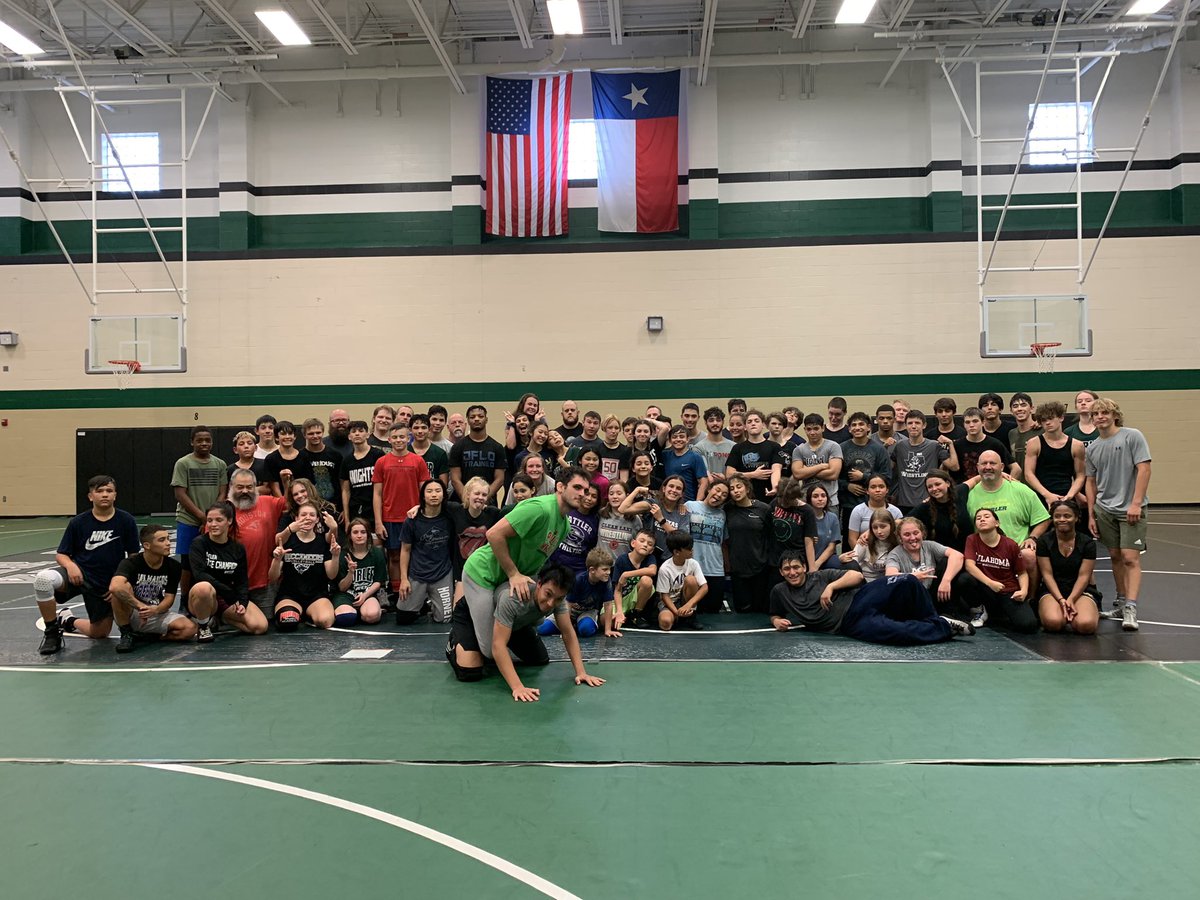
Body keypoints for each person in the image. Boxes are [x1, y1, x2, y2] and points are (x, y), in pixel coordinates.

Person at [448, 466, 593, 679]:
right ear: (560, 487)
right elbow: (494, 533)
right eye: (577, 487)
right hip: (483, 575)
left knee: (536, 618)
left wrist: (581, 672)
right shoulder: (539, 508)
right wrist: (514, 574)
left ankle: (505, 626)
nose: (582, 494)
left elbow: (537, 560)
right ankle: (459, 631)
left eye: (586, 490)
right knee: (489, 651)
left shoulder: (564, 526)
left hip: (508, 578)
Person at [35, 474, 140, 654]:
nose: (105, 495)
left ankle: (67, 620)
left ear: (115, 495)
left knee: (100, 633)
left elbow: (133, 556)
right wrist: (70, 566)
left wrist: (120, 582)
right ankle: (52, 633)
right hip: (78, 575)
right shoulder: (78, 522)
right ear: (91, 496)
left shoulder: (126, 520)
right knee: (43, 580)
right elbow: (61, 554)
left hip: (106, 582)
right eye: (100, 491)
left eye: (109, 491)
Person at [770, 554, 973, 644]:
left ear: (804, 567)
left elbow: (857, 576)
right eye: (787, 569)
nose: (792, 572)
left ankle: (933, 619)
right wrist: (777, 621)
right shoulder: (779, 591)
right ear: (781, 572)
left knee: (907, 580)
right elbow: (775, 613)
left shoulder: (820, 576)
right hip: (849, 624)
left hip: (862, 598)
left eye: (796, 567)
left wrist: (831, 587)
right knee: (899, 633)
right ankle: (943, 626)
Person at [1085, 397, 1152, 631]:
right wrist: (1092, 514)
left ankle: (1132, 607)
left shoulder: (1132, 436)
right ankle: (1122, 602)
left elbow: (1144, 468)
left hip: (1130, 510)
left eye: (1104, 412)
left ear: (1115, 415)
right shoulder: (1092, 448)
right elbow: (1090, 482)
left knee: (1130, 558)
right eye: (1096, 414)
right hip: (1105, 510)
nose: (1100, 417)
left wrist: (1135, 503)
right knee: (1114, 556)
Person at [967, 451, 1050, 597]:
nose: (988, 467)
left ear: (1002, 467)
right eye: (984, 464)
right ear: (977, 467)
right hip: (984, 555)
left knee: (1028, 555)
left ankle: (1030, 598)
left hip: (1016, 551)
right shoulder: (968, 494)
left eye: (992, 463)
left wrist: (1032, 538)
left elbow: (1044, 518)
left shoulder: (1020, 490)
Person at [187, 501, 269, 640]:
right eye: (210, 520)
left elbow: (242, 580)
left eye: (219, 520)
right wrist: (230, 595)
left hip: (225, 599)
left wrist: (242, 601)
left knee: (260, 626)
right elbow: (200, 575)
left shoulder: (237, 548)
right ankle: (203, 626)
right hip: (204, 597)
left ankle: (221, 619)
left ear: (229, 521)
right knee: (204, 588)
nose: (213, 524)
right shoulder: (199, 543)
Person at [108, 524, 194, 653]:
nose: (168, 543)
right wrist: (141, 607)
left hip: (156, 611)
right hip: (132, 611)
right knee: (120, 590)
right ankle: (126, 633)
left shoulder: (174, 566)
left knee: (190, 629)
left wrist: (155, 609)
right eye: (162, 540)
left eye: (168, 539)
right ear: (147, 545)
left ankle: (152, 637)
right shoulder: (131, 563)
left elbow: (169, 598)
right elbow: (114, 586)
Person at [373, 422, 432, 601]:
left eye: (402, 437)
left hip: (414, 518)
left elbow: (425, 491)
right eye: (395, 437)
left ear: (409, 438)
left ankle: (417, 593)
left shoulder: (418, 461)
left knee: (415, 556)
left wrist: (424, 514)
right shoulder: (382, 462)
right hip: (390, 518)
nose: (399, 440)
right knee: (394, 556)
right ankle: (397, 592)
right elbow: (377, 494)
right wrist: (378, 521)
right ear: (389, 439)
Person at [269, 500, 341, 631]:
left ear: (317, 520)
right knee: (288, 622)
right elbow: (272, 578)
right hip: (290, 595)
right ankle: (298, 613)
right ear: (296, 518)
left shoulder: (323, 542)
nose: (308, 518)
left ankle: (308, 613)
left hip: (316, 595)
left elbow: (331, 575)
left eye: (312, 515)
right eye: (303, 515)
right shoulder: (287, 540)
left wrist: (335, 556)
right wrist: (277, 560)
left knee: (325, 621)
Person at [962, 508, 1036, 633]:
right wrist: (990, 582)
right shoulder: (972, 539)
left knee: (1028, 625)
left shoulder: (1010, 544)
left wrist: (1023, 591)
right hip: (985, 588)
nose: (982, 519)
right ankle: (980, 610)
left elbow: (1022, 572)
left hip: (1006, 589)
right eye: (978, 518)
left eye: (986, 516)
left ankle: (1000, 613)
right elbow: (969, 566)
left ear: (997, 523)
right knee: (964, 579)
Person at [228, 469, 289, 617]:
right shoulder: (223, 510)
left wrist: (286, 484)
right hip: (232, 584)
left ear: (256, 487)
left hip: (264, 582)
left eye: (249, 487)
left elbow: (289, 503)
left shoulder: (268, 502)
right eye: (240, 487)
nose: (245, 491)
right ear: (231, 486)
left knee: (265, 622)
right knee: (236, 622)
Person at [884, 517, 970, 619]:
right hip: (913, 598)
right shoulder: (895, 554)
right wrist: (913, 577)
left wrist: (946, 581)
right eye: (907, 535)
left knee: (947, 563)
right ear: (900, 538)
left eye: (916, 533)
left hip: (934, 593)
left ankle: (947, 615)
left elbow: (958, 556)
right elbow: (889, 575)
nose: (912, 538)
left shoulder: (929, 546)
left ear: (922, 533)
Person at [1037, 500, 1101, 635]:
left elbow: (1084, 576)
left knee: (1085, 625)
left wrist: (1071, 599)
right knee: (1053, 623)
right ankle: (1059, 611)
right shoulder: (1044, 541)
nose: (1062, 519)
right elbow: (1046, 574)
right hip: (1053, 590)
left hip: (1080, 590)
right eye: (1057, 516)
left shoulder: (1087, 543)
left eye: (1067, 516)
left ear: (1076, 518)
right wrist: (1061, 599)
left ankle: (1083, 610)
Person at [398, 480, 456, 625]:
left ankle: (432, 602)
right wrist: (404, 579)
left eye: (438, 491)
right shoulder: (412, 520)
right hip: (418, 573)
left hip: (442, 573)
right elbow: (405, 550)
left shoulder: (451, 517)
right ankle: (422, 603)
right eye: (429, 491)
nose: (434, 495)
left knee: (445, 619)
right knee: (404, 619)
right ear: (423, 496)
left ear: (444, 495)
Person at [171, 425, 228, 559]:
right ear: (192, 442)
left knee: (212, 559)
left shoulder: (220, 464)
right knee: (187, 562)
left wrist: (211, 519)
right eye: (200, 440)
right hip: (188, 520)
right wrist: (203, 517)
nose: (204, 443)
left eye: (207, 440)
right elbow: (180, 494)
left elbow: (222, 493)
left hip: (213, 522)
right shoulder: (183, 463)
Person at [446, 476, 503, 602]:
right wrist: (417, 508)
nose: (480, 497)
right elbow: (434, 505)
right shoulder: (456, 510)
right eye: (476, 493)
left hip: (483, 572)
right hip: (462, 572)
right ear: (467, 494)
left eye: (484, 494)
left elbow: (512, 512)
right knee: (458, 612)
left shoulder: (492, 513)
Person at [538, 548, 614, 638]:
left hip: (587, 611)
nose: (608, 572)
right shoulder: (579, 580)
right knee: (542, 629)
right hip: (571, 611)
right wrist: (565, 630)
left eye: (609, 569)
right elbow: (568, 605)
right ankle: (572, 626)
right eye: (605, 569)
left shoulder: (606, 581)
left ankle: (578, 625)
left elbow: (608, 604)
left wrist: (608, 630)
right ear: (592, 570)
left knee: (586, 630)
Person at [725, 474, 773, 613]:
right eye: (732, 488)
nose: (736, 491)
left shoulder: (763, 509)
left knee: (759, 610)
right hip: (738, 568)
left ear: (747, 488)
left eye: (739, 487)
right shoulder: (727, 509)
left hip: (760, 567)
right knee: (743, 611)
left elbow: (771, 536)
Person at [1023, 401, 1086, 508]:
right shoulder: (1033, 443)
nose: (1047, 423)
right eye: (1043, 420)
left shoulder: (1077, 445)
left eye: (1051, 418)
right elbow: (1029, 474)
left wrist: (1069, 496)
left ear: (1061, 418)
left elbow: (1080, 475)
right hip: (1041, 497)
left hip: (1067, 496)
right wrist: (1047, 495)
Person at [891, 410, 954, 513]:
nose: (913, 426)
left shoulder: (934, 446)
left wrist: (950, 444)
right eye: (910, 423)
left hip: (928, 502)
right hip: (904, 503)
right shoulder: (899, 446)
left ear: (924, 425)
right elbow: (888, 468)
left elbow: (954, 466)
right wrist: (884, 447)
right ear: (906, 426)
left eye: (917, 423)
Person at [838, 412, 892, 523]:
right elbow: (834, 477)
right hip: (848, 504)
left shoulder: (879, 449)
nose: (857, 428)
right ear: (849, 429)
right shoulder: (841, 448)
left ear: (868, 427)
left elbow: (886, 477)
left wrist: (863, 477)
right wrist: (847, 486)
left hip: (873, 504)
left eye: (861, 424)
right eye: (854, 425)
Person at [331, 518, 385, 627]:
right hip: (346, 595)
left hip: (367, 594)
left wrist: (365, 595)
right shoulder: (343, 555)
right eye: (355, 532)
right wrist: (350, 572)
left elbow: (378, 581)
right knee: (345, 619)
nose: (359, 535)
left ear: (368, 534)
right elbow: (342, 588)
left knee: (372, 616)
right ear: (350, 536)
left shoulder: (377, 553)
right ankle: (353, 612)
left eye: (363, 532)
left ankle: (364, 611)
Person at [449, 405, 507, 505]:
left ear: (486, 419)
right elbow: (455, 479)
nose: (476, 419)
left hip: (488, 504)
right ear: (468, 420)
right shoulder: (457, 447)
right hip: (463, 504)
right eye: (472, 417)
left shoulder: (497, 447)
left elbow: (499, 479)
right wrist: (468, 500)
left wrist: (483, 498)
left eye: (480, 416)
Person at [685, 481, 728, 613]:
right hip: (692, 568)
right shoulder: (690, 506)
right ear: (709, 489)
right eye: (717, 490)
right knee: (693, 610)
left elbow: (723, 542)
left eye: (724, 494)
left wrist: (727, 566)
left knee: (713, 610)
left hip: (715, 569)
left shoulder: (723, 515)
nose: (719, 495)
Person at [653, 531, 709, 631]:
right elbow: (664, 596)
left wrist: (689, 605)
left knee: (691, 580)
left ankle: (691, 616)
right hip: (670, 603)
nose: (691, 550)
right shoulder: (665, 568)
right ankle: (679, 617)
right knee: (665, 623)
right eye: (688, 548)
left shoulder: (693, 563)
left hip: (686, 602)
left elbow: (704, 587)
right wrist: (676, 612)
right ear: (676, 552)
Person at [339, 420, 385, 535]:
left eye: (361, 431)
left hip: (375, 509)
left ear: (368, 434)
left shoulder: (378, 455)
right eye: (353, 432)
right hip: (356, 509)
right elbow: (345, 490)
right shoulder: (347, 461)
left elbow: (385, 485)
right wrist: (347, 519)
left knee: (377, 543)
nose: (357, 434)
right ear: (349, 436)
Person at [791, 413, 844, 513]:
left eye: (816, 428)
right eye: (809, 429)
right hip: (806, 501)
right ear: (805, 429)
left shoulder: (833, 446)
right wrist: (822, 466)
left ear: (823, 428)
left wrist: (806, 470)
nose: (812, 432)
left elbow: (833, 474)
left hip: (830, 501)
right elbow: (797, 474)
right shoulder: (799, 450)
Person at [608, 529, 658, 632]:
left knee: (647, 580)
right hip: (620, 598)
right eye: (642, 541)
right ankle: (623, 615)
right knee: (608, 622)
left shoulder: (650, 558)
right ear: (633, 543)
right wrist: (619, 611)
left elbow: (652, 571)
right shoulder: (622, 560)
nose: (645, 545)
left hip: (635, 598)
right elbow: (617, 591)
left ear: (651, 550)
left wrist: (626, 574)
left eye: (649, 544)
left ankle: (636, 615)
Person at [726, 410, 782, 501]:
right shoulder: (738, 448)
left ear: (763, 425)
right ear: (745, 427)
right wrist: (753, 474)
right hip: (745, 498)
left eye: (756, 421)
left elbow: (776, 469)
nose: (753, 424)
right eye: (749, 421)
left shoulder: (774, 446)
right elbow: (729, 474)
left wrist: (775, 487)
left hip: (768, 495)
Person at [548, 482, 601, 575]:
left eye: (594, 496)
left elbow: (591, 547)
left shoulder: (596, 521)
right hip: (553, 563)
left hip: (577, 570)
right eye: (587, 494)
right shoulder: (566, 509)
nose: (589, 498)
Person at [912, 469, 971, 552]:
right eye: (930, 487)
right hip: (941, 557)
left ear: (948, 483)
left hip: (968, 553)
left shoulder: (960, 491)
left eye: (937, 484)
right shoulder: (924, 507)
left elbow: (976, 479)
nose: (934, 489)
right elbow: (901, 521)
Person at [952, 406, 1015, 482]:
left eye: (975, 421)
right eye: (967, 422)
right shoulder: (957, 445)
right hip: (966, 490)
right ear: (964, 424)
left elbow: (1016, 468)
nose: (971, 425)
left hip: (990, 489)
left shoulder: (995, 444)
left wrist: (1008, 486)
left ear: (983, 422)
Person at [840, 508, 899, 582]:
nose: (879, 531)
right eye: (875, 527)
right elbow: (853, 561)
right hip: (865, 580)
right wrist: (843, 559)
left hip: (886, 581)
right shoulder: (864, 541)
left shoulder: (898, 542)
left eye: (883, 526)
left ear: (891, 525)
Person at [846, 474, 901, 546]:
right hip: (864, 553)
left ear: (887, 490)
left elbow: (900, 537)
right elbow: (852, 539)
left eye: (881, 487)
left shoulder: (895, 511)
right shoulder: (858, 510)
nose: (877, 490)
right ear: (867, 491)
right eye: (873, 487)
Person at [263, 421, 314, 498]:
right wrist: (284, 505)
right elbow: (274, 488)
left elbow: (309, 483)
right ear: (277, 437)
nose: (287, 437)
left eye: (290, 433)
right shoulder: (271, 459)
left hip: (303, 499)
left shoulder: (304, 456)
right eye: (283, 434)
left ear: (295, 437)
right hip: (281, 502)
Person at [661, 424, 709, 502]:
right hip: (669, 501)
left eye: (682, 436)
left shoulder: (695, 457)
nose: (678, 439)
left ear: (688, 439)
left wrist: (697, 504)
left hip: (688, 502)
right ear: (669, 440)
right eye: (674, 437)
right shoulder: (665, 455)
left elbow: (704, 482)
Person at [597, 482, 642, 562]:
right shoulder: (601, 514)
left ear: (627, 496)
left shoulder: (635, 518)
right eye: (611, 494)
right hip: (601, 564)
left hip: (623, 565)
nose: (615, 497)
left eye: (619, 493)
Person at [410, 413, 450, 488]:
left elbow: (443, 485)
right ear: (410, 430)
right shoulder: (405, 452)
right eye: (416, 428)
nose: (420, 431)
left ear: (429, 429)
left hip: (432, 497)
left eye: (423, 427)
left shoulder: (440, 453)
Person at [807, 485, 842, 570]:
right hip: (807, 558)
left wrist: (817, 564)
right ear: (809, 499)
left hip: (826, 558)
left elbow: (831, 546)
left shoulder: (832, 517)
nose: (820, 499)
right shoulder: (804, 518)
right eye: (815, 496)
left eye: (823, 496)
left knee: (838, 564)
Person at [693, 407, 734, 478]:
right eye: (711, 420)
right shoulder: (698, 448)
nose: (715, 423)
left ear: (723, 422)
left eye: (718, 420)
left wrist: (725, 479)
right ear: (706, 423)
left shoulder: (733, 447)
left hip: (728, 487)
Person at [1007, 393, 1041, 479]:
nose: (1019, 409)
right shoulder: (1011, 433)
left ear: (1032, 409)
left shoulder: (1042, 430)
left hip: (1040, 485)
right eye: (1015, 406)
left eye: (1023, 405)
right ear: (1011, 411)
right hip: (1019, 486)